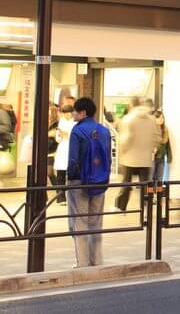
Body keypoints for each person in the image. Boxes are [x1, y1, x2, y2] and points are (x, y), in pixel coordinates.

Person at [66, 97, 111, 268]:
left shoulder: (77, 131)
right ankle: (97, 261)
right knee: (96, 222)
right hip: (100, 182)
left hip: (80, 182)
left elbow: (73, 160)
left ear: (83, 113)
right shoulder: (104, 130)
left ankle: (83, 263)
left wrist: (69, 181)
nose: (73, 114)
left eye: (75, 111)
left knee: (80, 222)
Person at [115, 96, 160, 212]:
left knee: (126, 182)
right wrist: (151, 148)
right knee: (145, 184)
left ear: (131, 105)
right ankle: (146, 207)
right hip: (145, 158)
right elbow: (157, 137)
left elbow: (126, 138)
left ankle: (121, 206)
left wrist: (123, 150)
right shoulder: (151, 119)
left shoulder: (128, 119)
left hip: (129, 157)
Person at [52, 104, 75, 203]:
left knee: (72, 176)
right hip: (62, 149)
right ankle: (61, 198)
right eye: (65, 113)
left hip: (72, 149)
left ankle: (72, 197)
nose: (67, 115)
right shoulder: (60, 122)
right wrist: (60, 135)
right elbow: (57, 139)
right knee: (60, 174)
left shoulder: (75, 123)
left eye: (69, 113)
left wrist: (68, 134)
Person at [152, 110, 172, 182]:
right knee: (151, 178)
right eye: (159, 118)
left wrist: (169, 157)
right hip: (152, 158)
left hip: (161, 158)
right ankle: (150, 193)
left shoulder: (165, 130)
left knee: (160, 178)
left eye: (162, 118)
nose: (161, 119)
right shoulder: (151, 130)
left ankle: (158, 193)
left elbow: (167, 145)